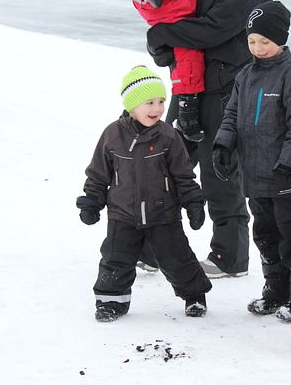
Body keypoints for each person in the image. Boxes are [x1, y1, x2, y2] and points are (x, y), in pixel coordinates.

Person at [145, 0, 273, 279]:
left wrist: (163, 34)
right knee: (163, 158)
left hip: (225, 88)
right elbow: (186, 11)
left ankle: (229, 255)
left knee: (218, 170)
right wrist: (164, 41)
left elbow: (215, 28)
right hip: (194, 84)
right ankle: (154, 244)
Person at [75, 65, 212, 322]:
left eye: (161, 101)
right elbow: (98, 174)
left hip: (163, 213)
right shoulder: (112, 135)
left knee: (177, 258)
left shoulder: (169, 137)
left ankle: (194, 295)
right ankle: (111, 301)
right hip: (122, 214)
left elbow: (184, 176)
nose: (157, 109)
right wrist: (92, 202)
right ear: (132, 105)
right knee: (115, 259)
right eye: (149, 102)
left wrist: (193, 202)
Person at [212, 1, 291, 321]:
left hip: (288, 179)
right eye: (252, 41)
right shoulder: (245, 76)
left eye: (264, 42)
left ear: (281, 40)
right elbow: (231, 115)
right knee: (265, 234)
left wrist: (289, 166)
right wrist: (223, 145)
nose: (257, 48)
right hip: (255, 176)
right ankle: (276, 291)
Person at [122, 0, 209, 143]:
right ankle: (187, 112)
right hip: (171, 21)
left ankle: (186, 107)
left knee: (189, 62)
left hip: (186, 19)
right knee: (188, 64)